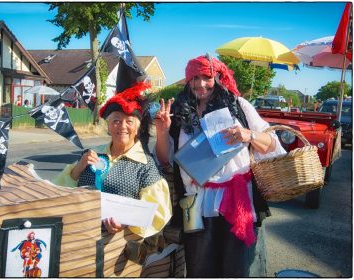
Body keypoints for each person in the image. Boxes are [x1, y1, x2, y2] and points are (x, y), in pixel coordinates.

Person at [154, 54, 286, 277]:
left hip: (237, 200)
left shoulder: (239, 106)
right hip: (195, 205)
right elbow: (165, 159)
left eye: (207, 77)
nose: (201, 84)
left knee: (236, 269)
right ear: (188, 80)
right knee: (199, 270)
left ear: (217, 77)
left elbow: (273, 146)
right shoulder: (177, 112)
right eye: (195, 78)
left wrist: (249, 134)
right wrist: (162, 131)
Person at [53, 82, 172, 263]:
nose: (122, 126)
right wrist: (79, 167)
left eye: (129, 121)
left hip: (120, 250)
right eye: (116, 120)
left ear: (137, 127)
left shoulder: (146, 165)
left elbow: (157, 212)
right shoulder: (92, 154)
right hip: (80, 241)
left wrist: (126, 222)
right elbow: (59, 191)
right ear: (108, 126)